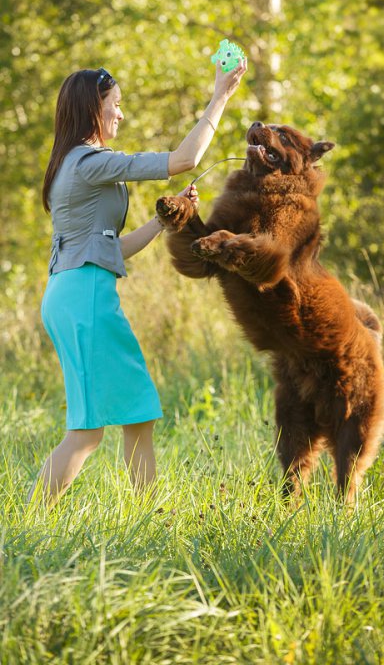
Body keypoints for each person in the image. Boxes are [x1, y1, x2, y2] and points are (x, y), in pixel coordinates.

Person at [27, 58, 247, 506]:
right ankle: (27, 521)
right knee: (86, 433)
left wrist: (161, 223)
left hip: (75, 291)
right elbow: (184, 160)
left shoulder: (69, 164)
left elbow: (108, 248)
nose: (120, 114)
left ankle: (148, 516)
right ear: (94, 108)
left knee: (138, 412)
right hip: (85, 297)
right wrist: (220, 95)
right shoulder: (90, 161)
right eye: (115, 104)